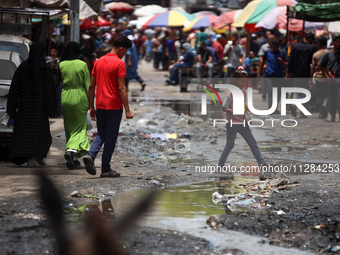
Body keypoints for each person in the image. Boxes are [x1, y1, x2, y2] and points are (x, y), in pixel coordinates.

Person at [83, 35, 134, 178]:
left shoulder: (98, 62)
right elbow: (122, 88)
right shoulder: (119, 64)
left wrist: (91, 106)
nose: (124, 55)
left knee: (102, 133)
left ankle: (91, 156)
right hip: (113, 105)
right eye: (125, 52)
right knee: (110, 137)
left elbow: (91, 85)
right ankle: (105, 169)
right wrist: (128, 110)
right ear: (121, 48)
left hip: (100, 104)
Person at [6, 42, 57, 166]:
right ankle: (35, 156)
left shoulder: (22, 68)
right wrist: (51, 110)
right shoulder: (45, 70)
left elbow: (14, 89)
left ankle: (28, 157)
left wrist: (11, 110)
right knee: (39, 135)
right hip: (40, 110)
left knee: (25, 135)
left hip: (25, 110)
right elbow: (50, 92)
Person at [218, 67, 267, 179]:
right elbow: (224, 108)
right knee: (230, 145)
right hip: (232, 123)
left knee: (252, 143)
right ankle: (220, 167)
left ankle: (262, 164)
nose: (244, 83)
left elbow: (243, 104)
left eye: (245, 81)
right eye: (242, 81)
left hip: (242, 122)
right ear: (235, 80)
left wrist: (251, 110)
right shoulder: (230, 93)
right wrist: (236, 111)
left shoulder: (243, 91)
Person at [59, 42, 91, 169]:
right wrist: (91, 104)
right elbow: (88, 85)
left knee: (69, 127)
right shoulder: (82, 64)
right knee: (80, 128)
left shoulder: (61, 64)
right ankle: (70, 149)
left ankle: (73, 158)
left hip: (65, 96)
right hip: (79, 96)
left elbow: (60, 81)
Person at [287, 32, 316, 118]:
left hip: (296, 72)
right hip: (306, 72)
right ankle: (302, 113)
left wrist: (288, 71)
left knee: (296, 89)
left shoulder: (295, 46)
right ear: (310, 39)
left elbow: (290, 59)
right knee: (304, 92)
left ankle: (293, 104)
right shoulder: (311, 48)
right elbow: (312, 62)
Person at [259, 38, 287, 112]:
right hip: (269, 75)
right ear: (271, 46)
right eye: (274, 47)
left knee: (277, 92)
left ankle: (275, 108)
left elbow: (287, 64)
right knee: (271, 91)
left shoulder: (282, 53)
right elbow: (262, 62)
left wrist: (282, 61)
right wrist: (259, 73)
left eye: (276, 47)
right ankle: (270, 107)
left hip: (279, 75)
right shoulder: (267, 52)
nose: (275, 48)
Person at [319, 34, 340, 122]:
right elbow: (321, 66)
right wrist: (326, 76)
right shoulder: (328, 54)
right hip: (331, 79)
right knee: (332, 98)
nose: (339, 43)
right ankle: (332, 115)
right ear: (333, 43)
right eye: (337, 41)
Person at [309, 36, 329, 119]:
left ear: (319, 43)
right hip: (328, 77)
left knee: (319, 95)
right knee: (328, 94)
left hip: (318, 77)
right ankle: (325, 103)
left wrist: (310, 79)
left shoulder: (316, 54)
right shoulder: (330, 53)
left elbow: (313, 67)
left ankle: (321, 113)